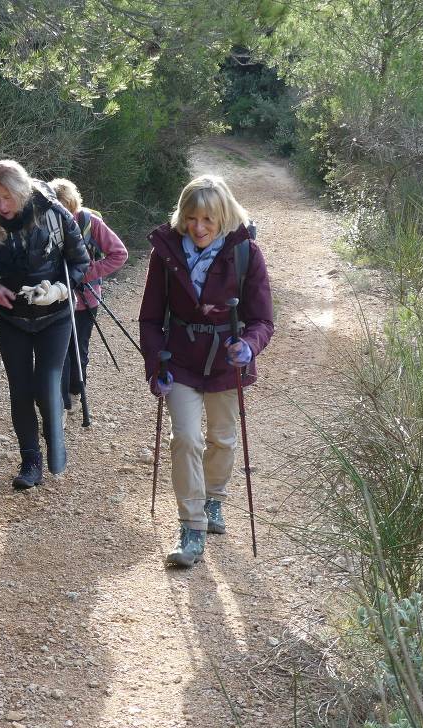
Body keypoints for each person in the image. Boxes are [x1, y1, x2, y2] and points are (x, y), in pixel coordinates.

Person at [138, 174, 273, 567]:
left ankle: (215, 498)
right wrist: (154, 363)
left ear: (223, 218)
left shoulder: (246, 252)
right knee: (185, 439)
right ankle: (191, 527)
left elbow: (263, 320)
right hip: (178, 361)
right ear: (182, 215)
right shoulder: (165, 254)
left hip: (227, 363)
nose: (198, 228)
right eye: (192, 218)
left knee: (222, 439)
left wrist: (248, 346)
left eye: (208, 220)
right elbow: (149, 318)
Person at [0, 160, 89, 488]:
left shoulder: (54, 213)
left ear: (21, 191)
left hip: (54, 316)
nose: (1, 205)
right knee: (20, 388)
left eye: (6, 198)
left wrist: (59, 289)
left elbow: (81, 262)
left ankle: (53, 435)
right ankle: (31, 461)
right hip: (11, 318)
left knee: (46, 384)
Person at [48, 178, 128, 414]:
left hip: (86, 299)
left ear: (72, 206)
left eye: (66, 211)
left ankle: (74, 390)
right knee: (56, 349)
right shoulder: (45, 223)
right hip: (56, 298)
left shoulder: (90, 223)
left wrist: (87, 272)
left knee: (78, 347)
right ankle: (60, 400)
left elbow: (119, 254)